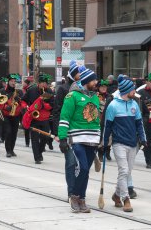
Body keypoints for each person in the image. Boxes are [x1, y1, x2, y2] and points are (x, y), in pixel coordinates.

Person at [57, 68, 99, 213]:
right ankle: (74, 196)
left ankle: (82, 198)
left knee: (86, 172)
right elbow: (64, 117)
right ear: (87, 81)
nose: (96, 82)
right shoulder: (72, 96)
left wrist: (101, 141)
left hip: (92, 139)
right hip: (77, 139)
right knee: (83, 167)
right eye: (94, 80)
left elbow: (96, 120)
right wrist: (63, 138)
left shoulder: (95, 97)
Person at [103, 75, 146, 212]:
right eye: (133, 90)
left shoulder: (134, 104)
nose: (135, 92)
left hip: (132, 143)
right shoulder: (113, 106)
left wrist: (143, 138)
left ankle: (116, 195)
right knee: (123, 170)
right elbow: (107, 126)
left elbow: (139, 124)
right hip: (118, 143)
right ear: (127, 91)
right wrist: (104, 144)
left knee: (127, 173)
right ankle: (125, 198)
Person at [53, 61, 85, 199]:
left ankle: (78, 190)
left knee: (82, 165)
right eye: (78, 73)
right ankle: (71, 192)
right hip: (68, 132)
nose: (80, 75)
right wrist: (59, 134)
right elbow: (58, 112)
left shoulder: (84, 88)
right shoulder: (63, 89)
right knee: (71, 163)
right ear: (72, 74)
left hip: (82, 133)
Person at [22, 73, 54, 164]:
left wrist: (44, 105)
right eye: (42, 83)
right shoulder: (31, 90)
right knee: (35, 139)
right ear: (38, 83)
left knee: (45, 137)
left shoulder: (49, 92)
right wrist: (25, 108)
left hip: (45, 118)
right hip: (34, 118)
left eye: (45, 83)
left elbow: (52, 104)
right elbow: (23, 100)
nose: (44, 85)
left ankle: (39, 152)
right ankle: (37, 157)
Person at [0, 74, 24, 157]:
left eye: (15, 81)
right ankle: (8, 151)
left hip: (16, 115)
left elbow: (23, 103)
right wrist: (6, 107)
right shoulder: (3, 91)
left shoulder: (19, 91)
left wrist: (19, 100)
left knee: (14, 133)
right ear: (8, 82)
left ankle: (12, 149)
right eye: (12, 81)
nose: (13, 83)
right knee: (8, 132)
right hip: (6, 115)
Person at [96, 79, 112, 161]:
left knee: (109, 136)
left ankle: (108, 152)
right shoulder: (95, 96)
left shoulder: (110, 96)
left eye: (105, 87)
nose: (103, 88)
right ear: (98, 87)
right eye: (102, 87)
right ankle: (100, 153)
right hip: (99, 118)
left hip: (108, 118)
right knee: (100, 136)